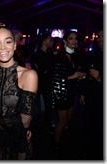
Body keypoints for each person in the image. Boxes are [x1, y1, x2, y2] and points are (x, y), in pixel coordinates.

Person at [0, 23, 38, 160]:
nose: (3, 47)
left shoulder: (29, 75)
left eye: (8, 42)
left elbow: (25, 122)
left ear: (15, 45)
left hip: (16, 143)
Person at [50, 30, 86, 157]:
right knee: (62, 121)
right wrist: (74, 75)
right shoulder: (58, 56)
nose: (74, 41)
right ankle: (56, 144)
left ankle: (63, 140)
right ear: (65, 41)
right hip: (61, 93)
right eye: (71, 38)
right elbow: (55, 77)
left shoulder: (75, 56)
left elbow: (74, 73)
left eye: (76, 39)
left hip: (71, 93)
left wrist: (80, 75)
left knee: (69, 119)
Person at [79, 29, 103, 159]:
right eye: (98, 36)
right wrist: (82, 93)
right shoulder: (93, 54)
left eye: (103, 36)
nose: (99, 39)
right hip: (91, 96)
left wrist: (100, 78)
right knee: (89, 123)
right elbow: (86, 76)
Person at [30, 33, 55, 131]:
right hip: (40, 85)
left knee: (48, 106)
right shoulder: (37, 55)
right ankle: (39, 127)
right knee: (39, 108)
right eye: (50, 40)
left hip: (48, 85)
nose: (52, 41)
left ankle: (47, 125)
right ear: (44, 41)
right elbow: (41, 71)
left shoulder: (50, 54)